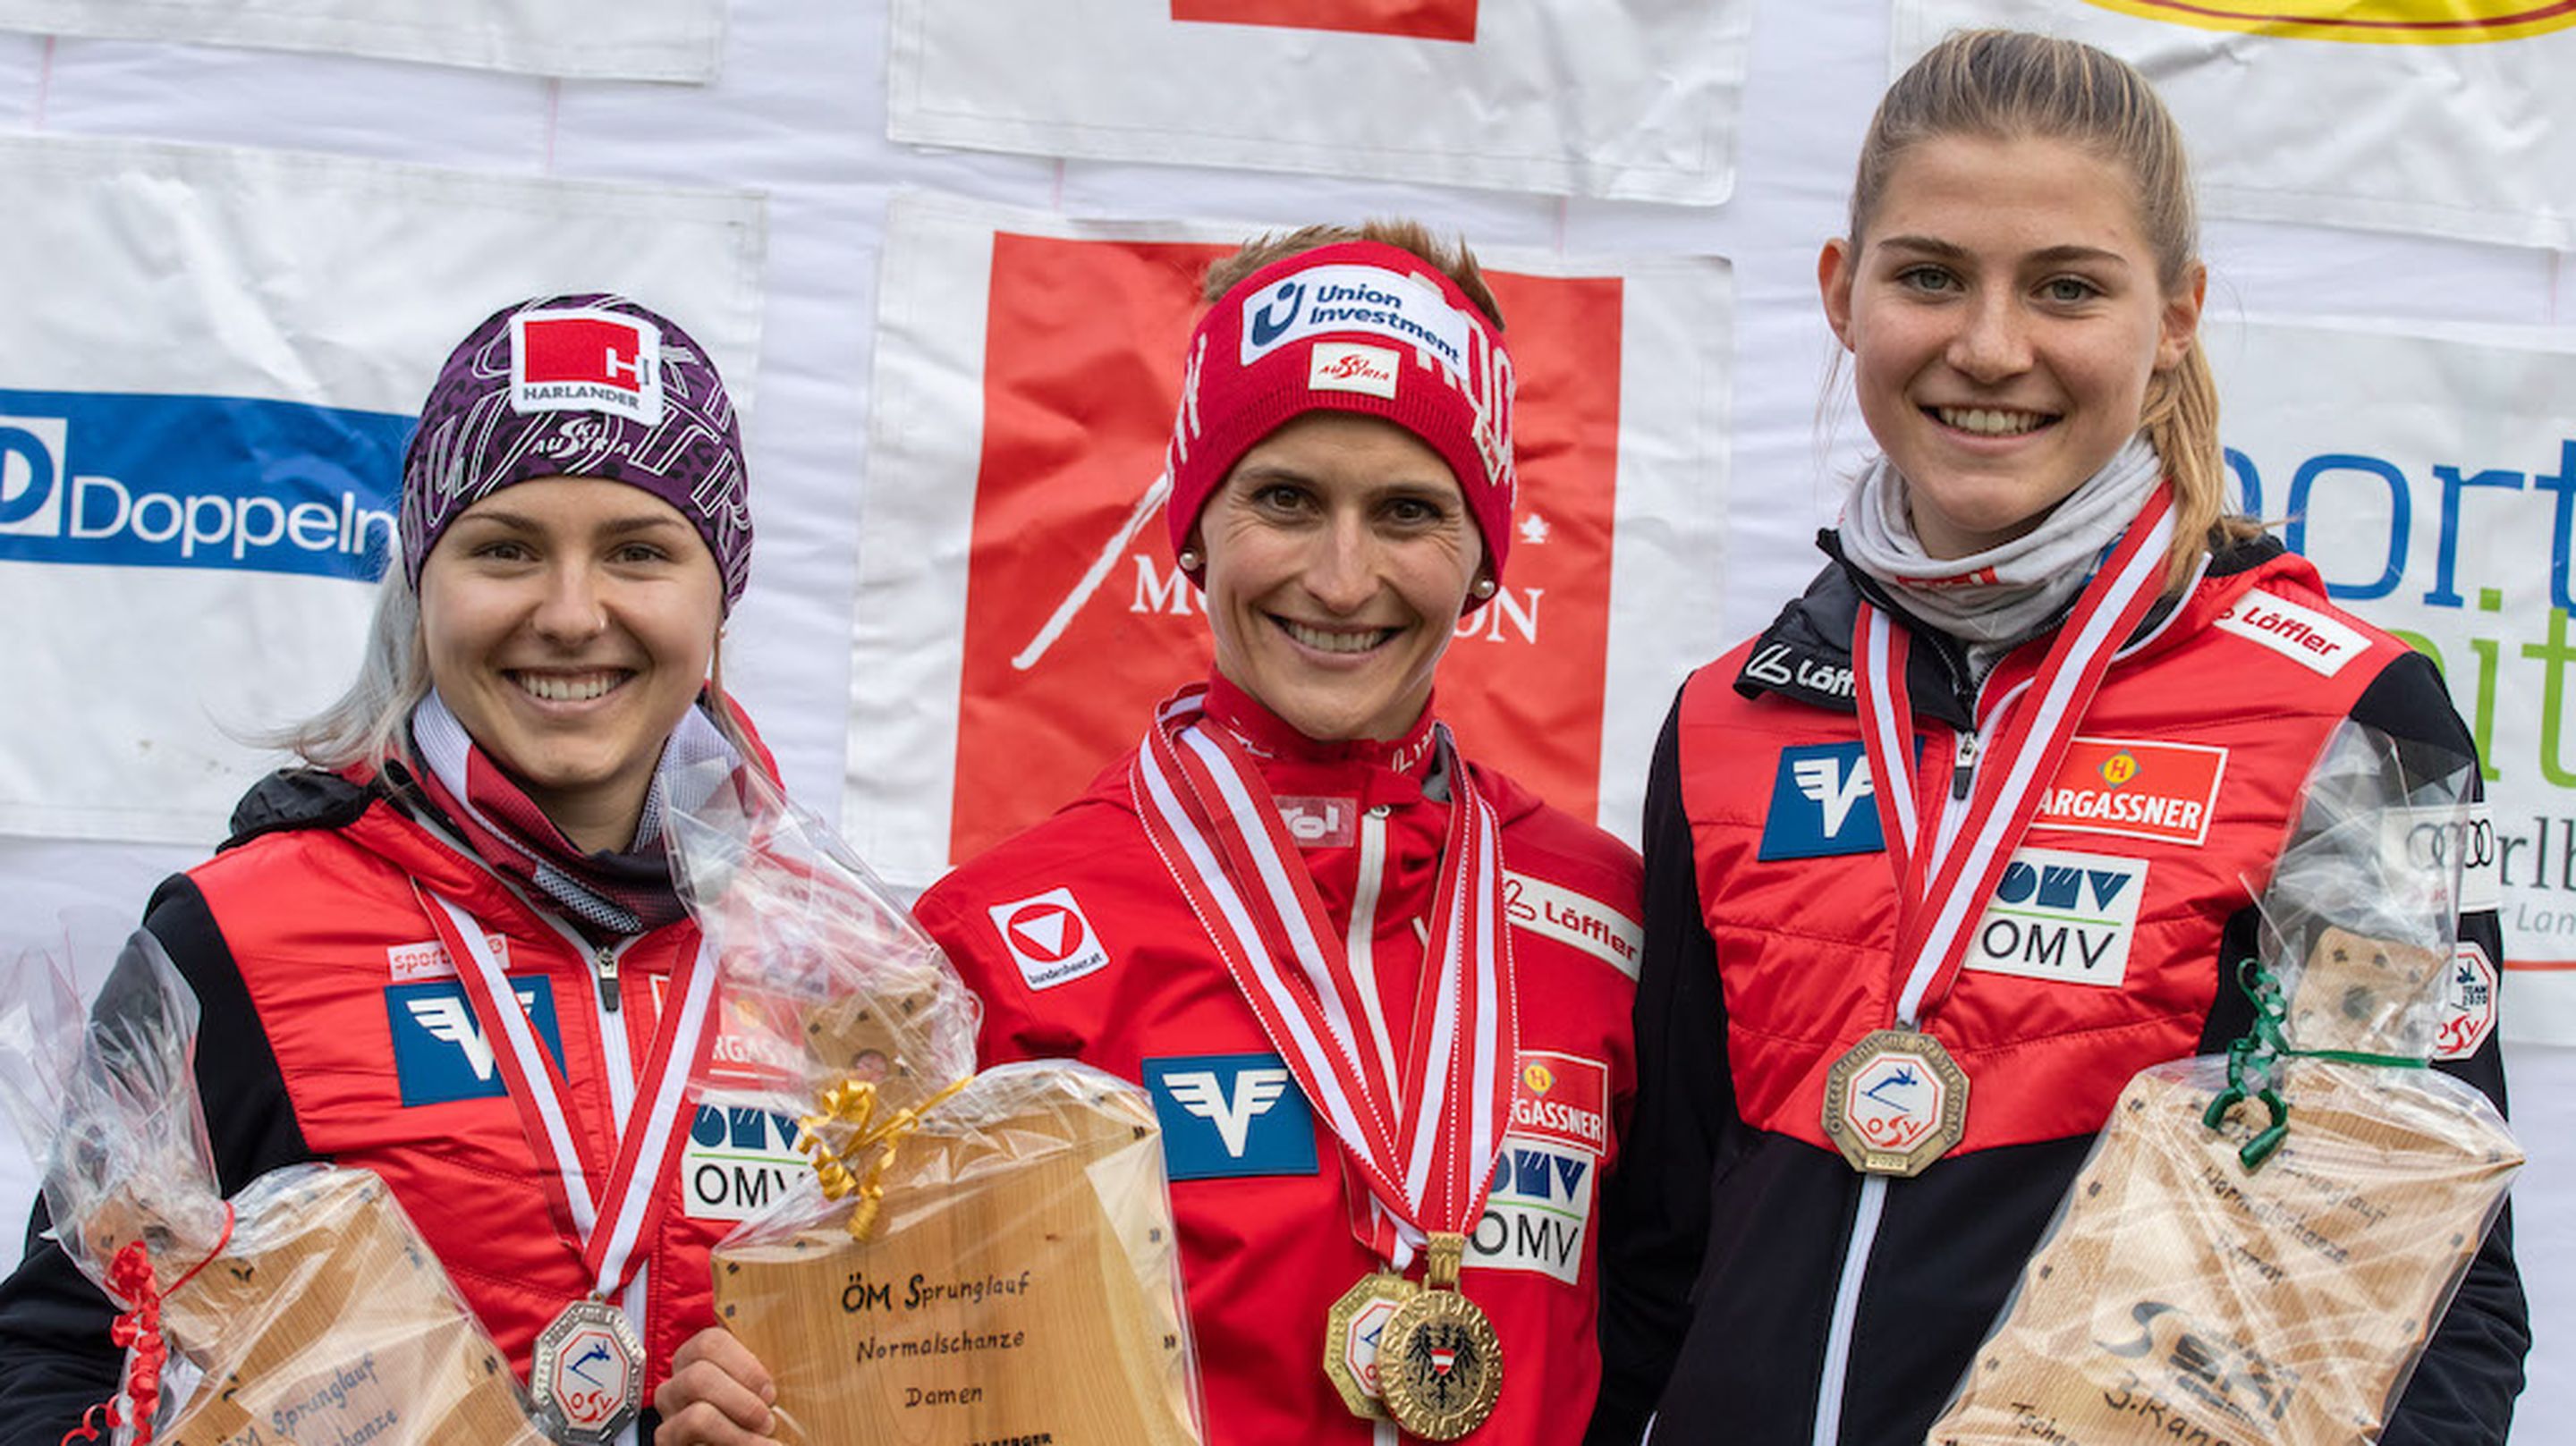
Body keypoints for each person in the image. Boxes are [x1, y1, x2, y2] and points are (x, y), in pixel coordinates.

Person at [1587, 30, 2528, 1446]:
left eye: (2067, 288)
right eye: (1929, 275)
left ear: (2177, 316)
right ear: (1843, 295)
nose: (1988, 346)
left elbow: (2429, 1295)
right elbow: (1658, 1265)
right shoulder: (1734, 716)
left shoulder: (2344, 716)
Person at [655, 224, 1642, 1446]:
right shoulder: (990, 942)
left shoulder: (1607, 919)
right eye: (1284, 499)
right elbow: (906, 1394)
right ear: (1192, 524)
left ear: (1485, 555)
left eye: (1407, 512)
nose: (1342, 578)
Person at [0, 293, 775, 1446]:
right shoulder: (234, 937)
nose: (571, 614)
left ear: (723, 594)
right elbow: (55, 1362)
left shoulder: (837, 963)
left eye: (639, 551)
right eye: (505, 549)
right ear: (420, 579)